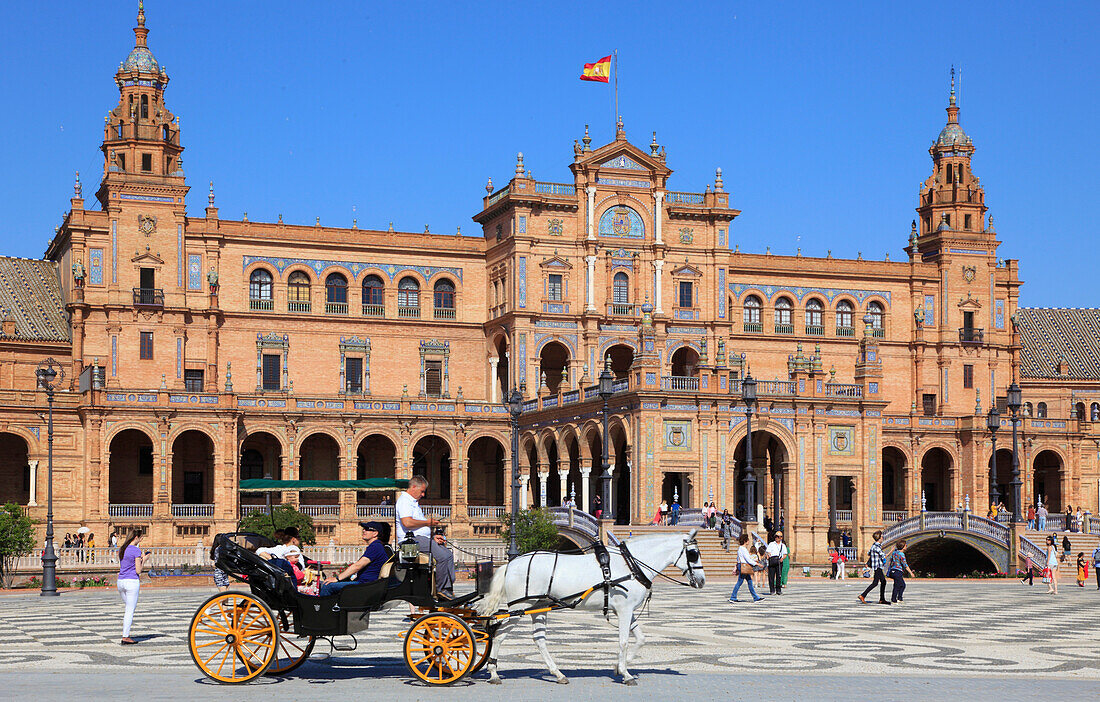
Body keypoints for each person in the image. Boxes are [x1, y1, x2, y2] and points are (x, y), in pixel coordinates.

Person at [397, 475, 455, 599]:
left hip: (421, 539)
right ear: (413, 487)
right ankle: (441, 590)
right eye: (422, 491)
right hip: (410, 541)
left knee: (448, 554)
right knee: (443, 557)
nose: (423, 494)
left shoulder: (413, 502)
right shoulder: (404, 501)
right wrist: (427, 523)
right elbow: (407, 522)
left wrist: (432, 537)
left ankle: (448, 588)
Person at [319, 522, 391, 596]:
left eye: (367, 529)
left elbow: (358, 566)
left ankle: (323, 607)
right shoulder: (376, 546)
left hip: (366, 584)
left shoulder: (375, 546)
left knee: (327, 586)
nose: (363, 531)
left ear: (375, 533)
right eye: (363, 529)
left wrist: (337, 578)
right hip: (365, 583)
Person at [117, 531, 144, 645]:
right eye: (141, 538)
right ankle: (125, 636)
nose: (141, 540)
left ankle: (126, 633)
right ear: (136, 537)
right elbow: (138, 570)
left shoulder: (122, 548)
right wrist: (144, 560)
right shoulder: (136, 550)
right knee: (129, 610)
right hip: (132, 581)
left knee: (128, 607)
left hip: (121, 581)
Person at [728, 533, 764, 603]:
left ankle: (755, 597)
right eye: (747, 540)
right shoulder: (743, 549)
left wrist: (736, 567)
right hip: (744, 567)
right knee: (739, 582)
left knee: (749, 582)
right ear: (745, 541)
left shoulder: (740, 549)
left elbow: (738, 559)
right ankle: (733, 597)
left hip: (742, 566)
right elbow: (748, 560)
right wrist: (757, 564)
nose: (749, 541)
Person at [859, 531, 890, 605]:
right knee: (875, 583)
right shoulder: (877, 547)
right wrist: (890, 551)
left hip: (877, 566)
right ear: (879, 538)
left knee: (883, 581)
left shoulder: (873, 546)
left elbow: (869, 553)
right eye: (882, 537)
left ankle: (882, 599)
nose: (883, 538)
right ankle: (863, 595)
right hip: (878, 566)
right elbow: (883, 556)